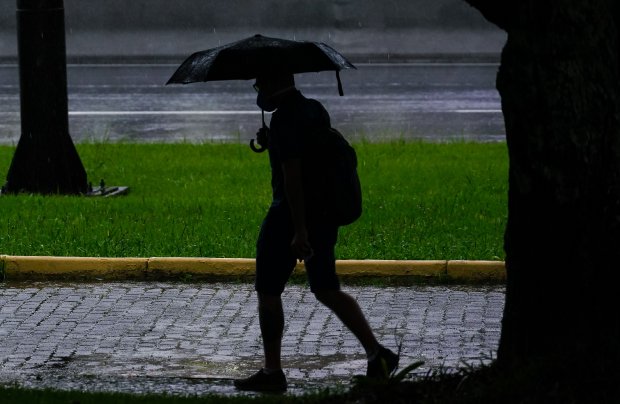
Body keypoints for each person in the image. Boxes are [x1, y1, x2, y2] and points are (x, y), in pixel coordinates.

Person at [234, 73, 398, 392]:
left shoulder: (284, 120)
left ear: (271, 84)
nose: (258, 89)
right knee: (325, 287)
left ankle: (272, 372)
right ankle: (377, 353)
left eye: (260, 83)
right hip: (324, 214)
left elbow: (293, 179)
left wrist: (299, 231)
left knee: (268, 290)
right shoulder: (313, 109)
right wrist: (273, 143)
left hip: (289, 217)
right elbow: (310, 155)